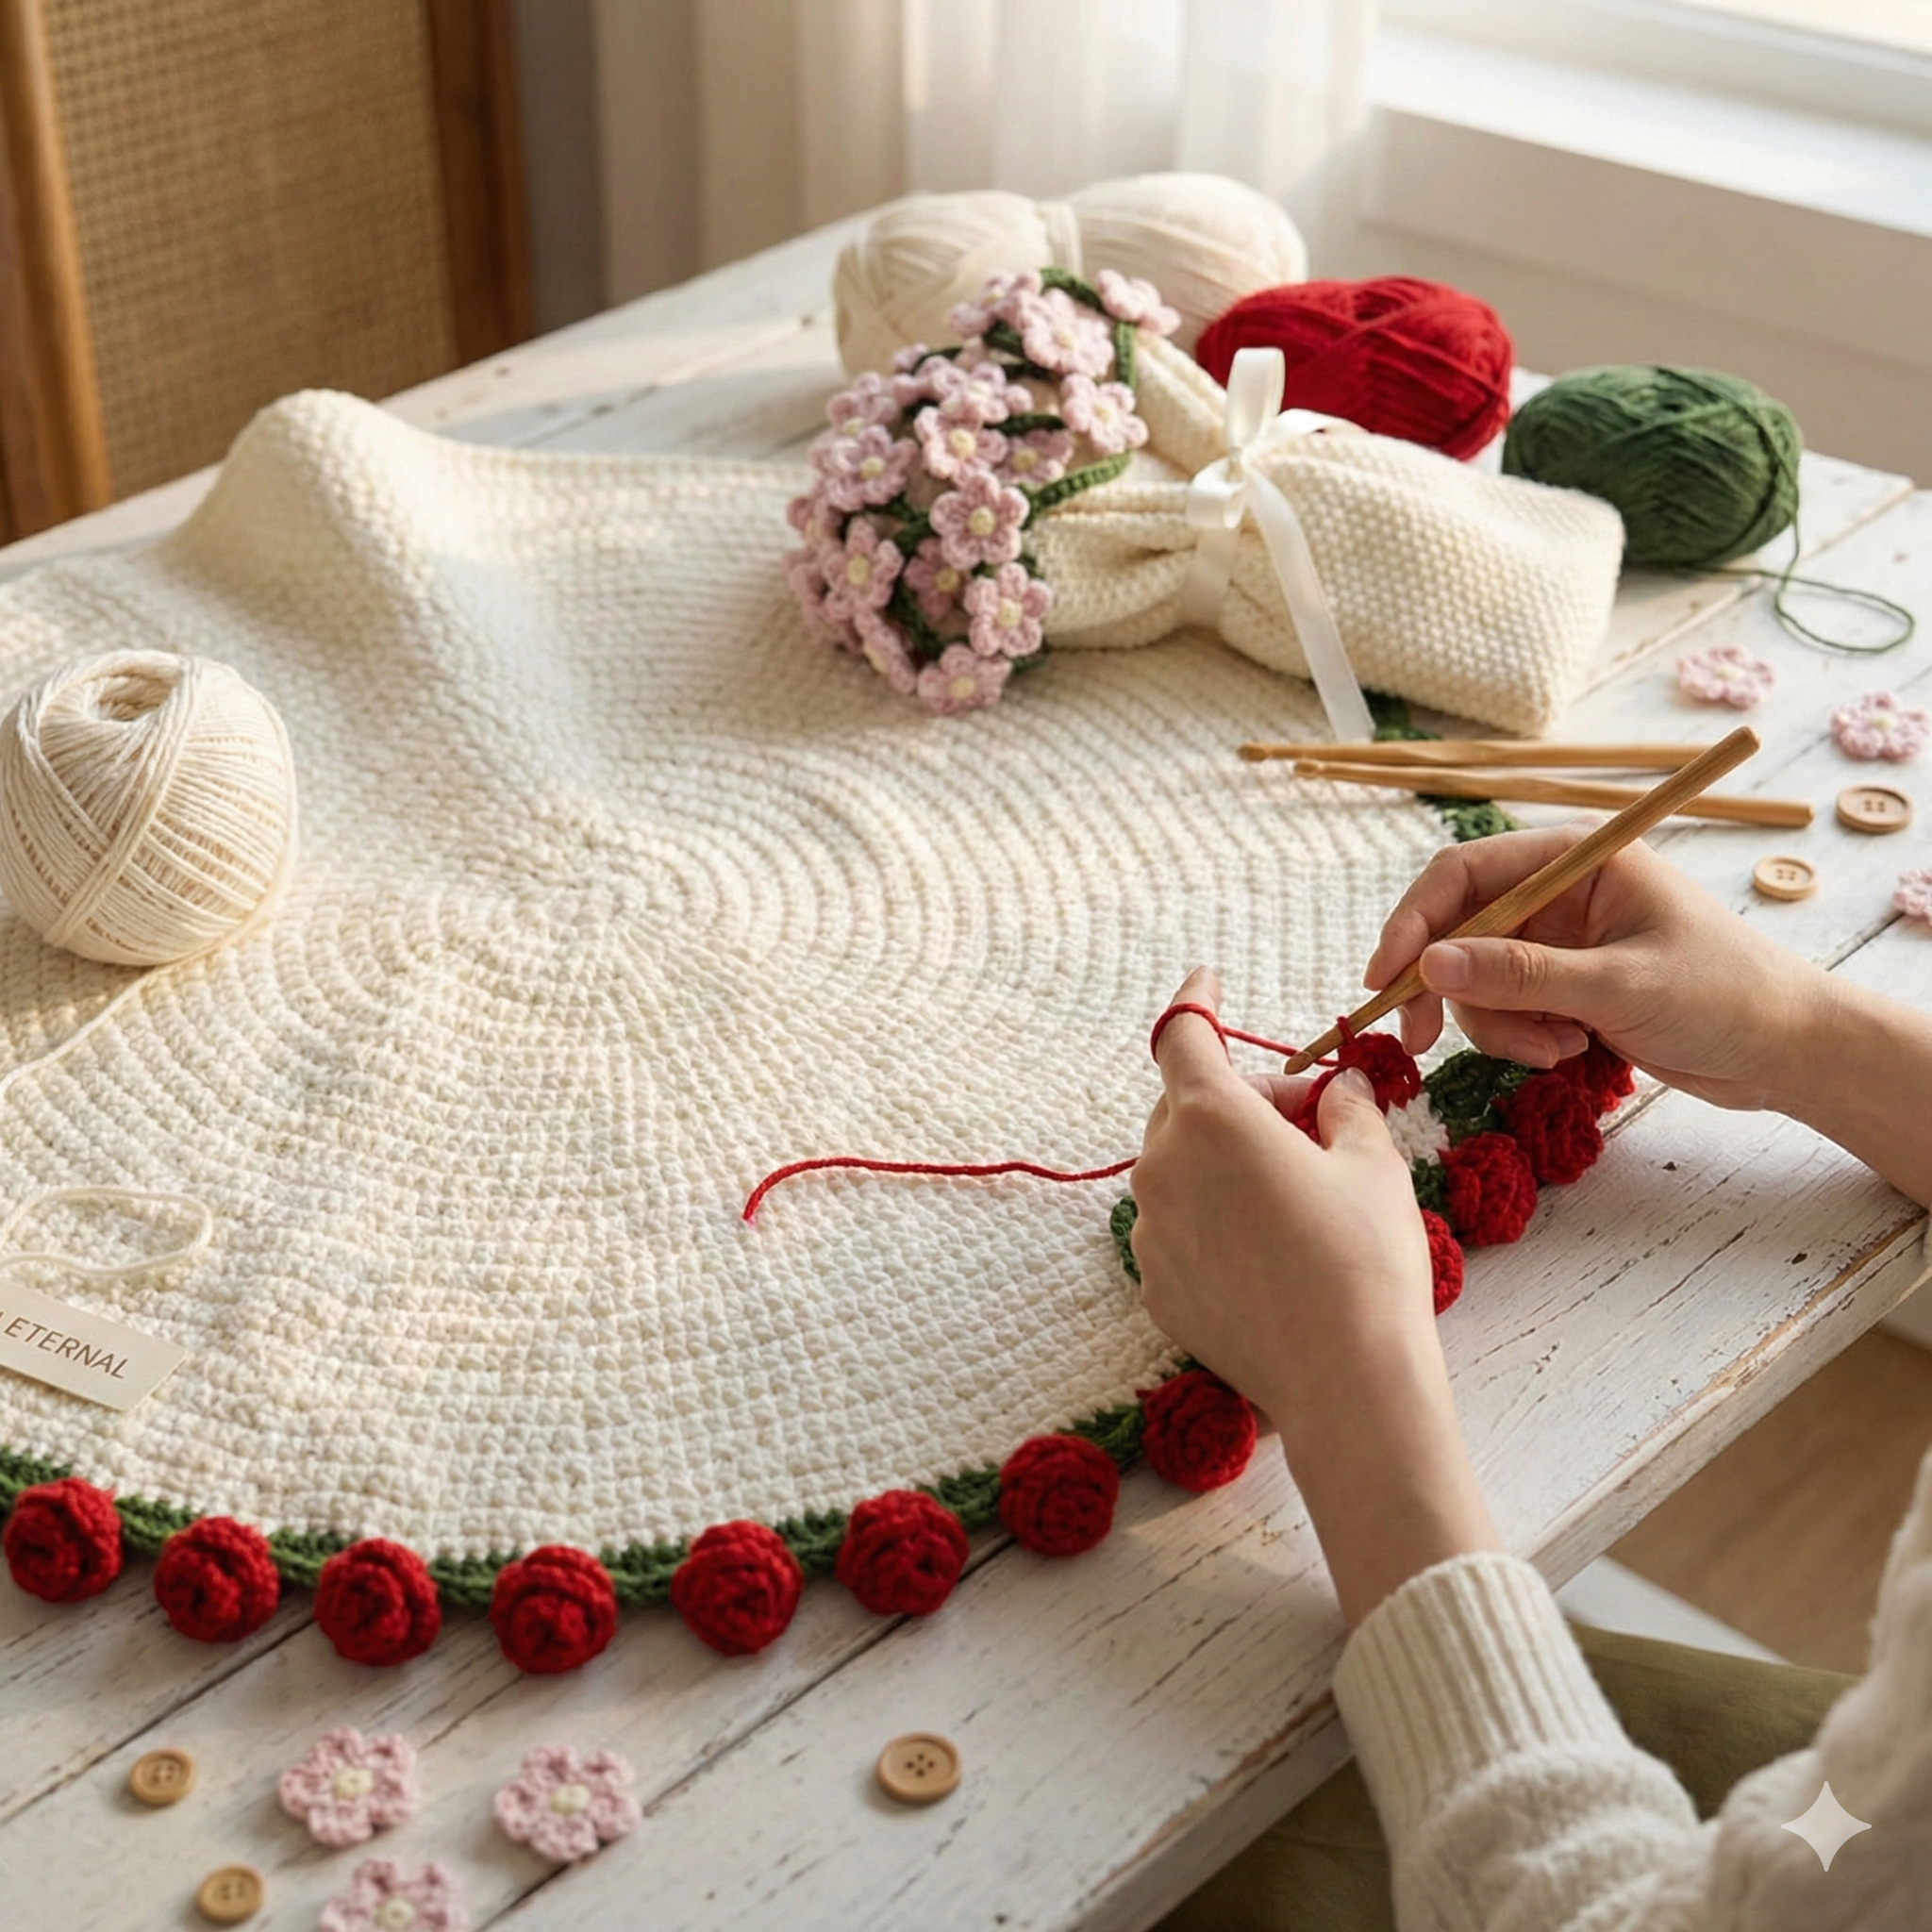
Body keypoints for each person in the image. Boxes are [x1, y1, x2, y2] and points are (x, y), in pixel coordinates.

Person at [1132, 826, 1932, 1932]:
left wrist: (1346, 1379)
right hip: (1856, 1802)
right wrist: (1799, 1033)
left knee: (1174, 1817)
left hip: (1834, 1848)